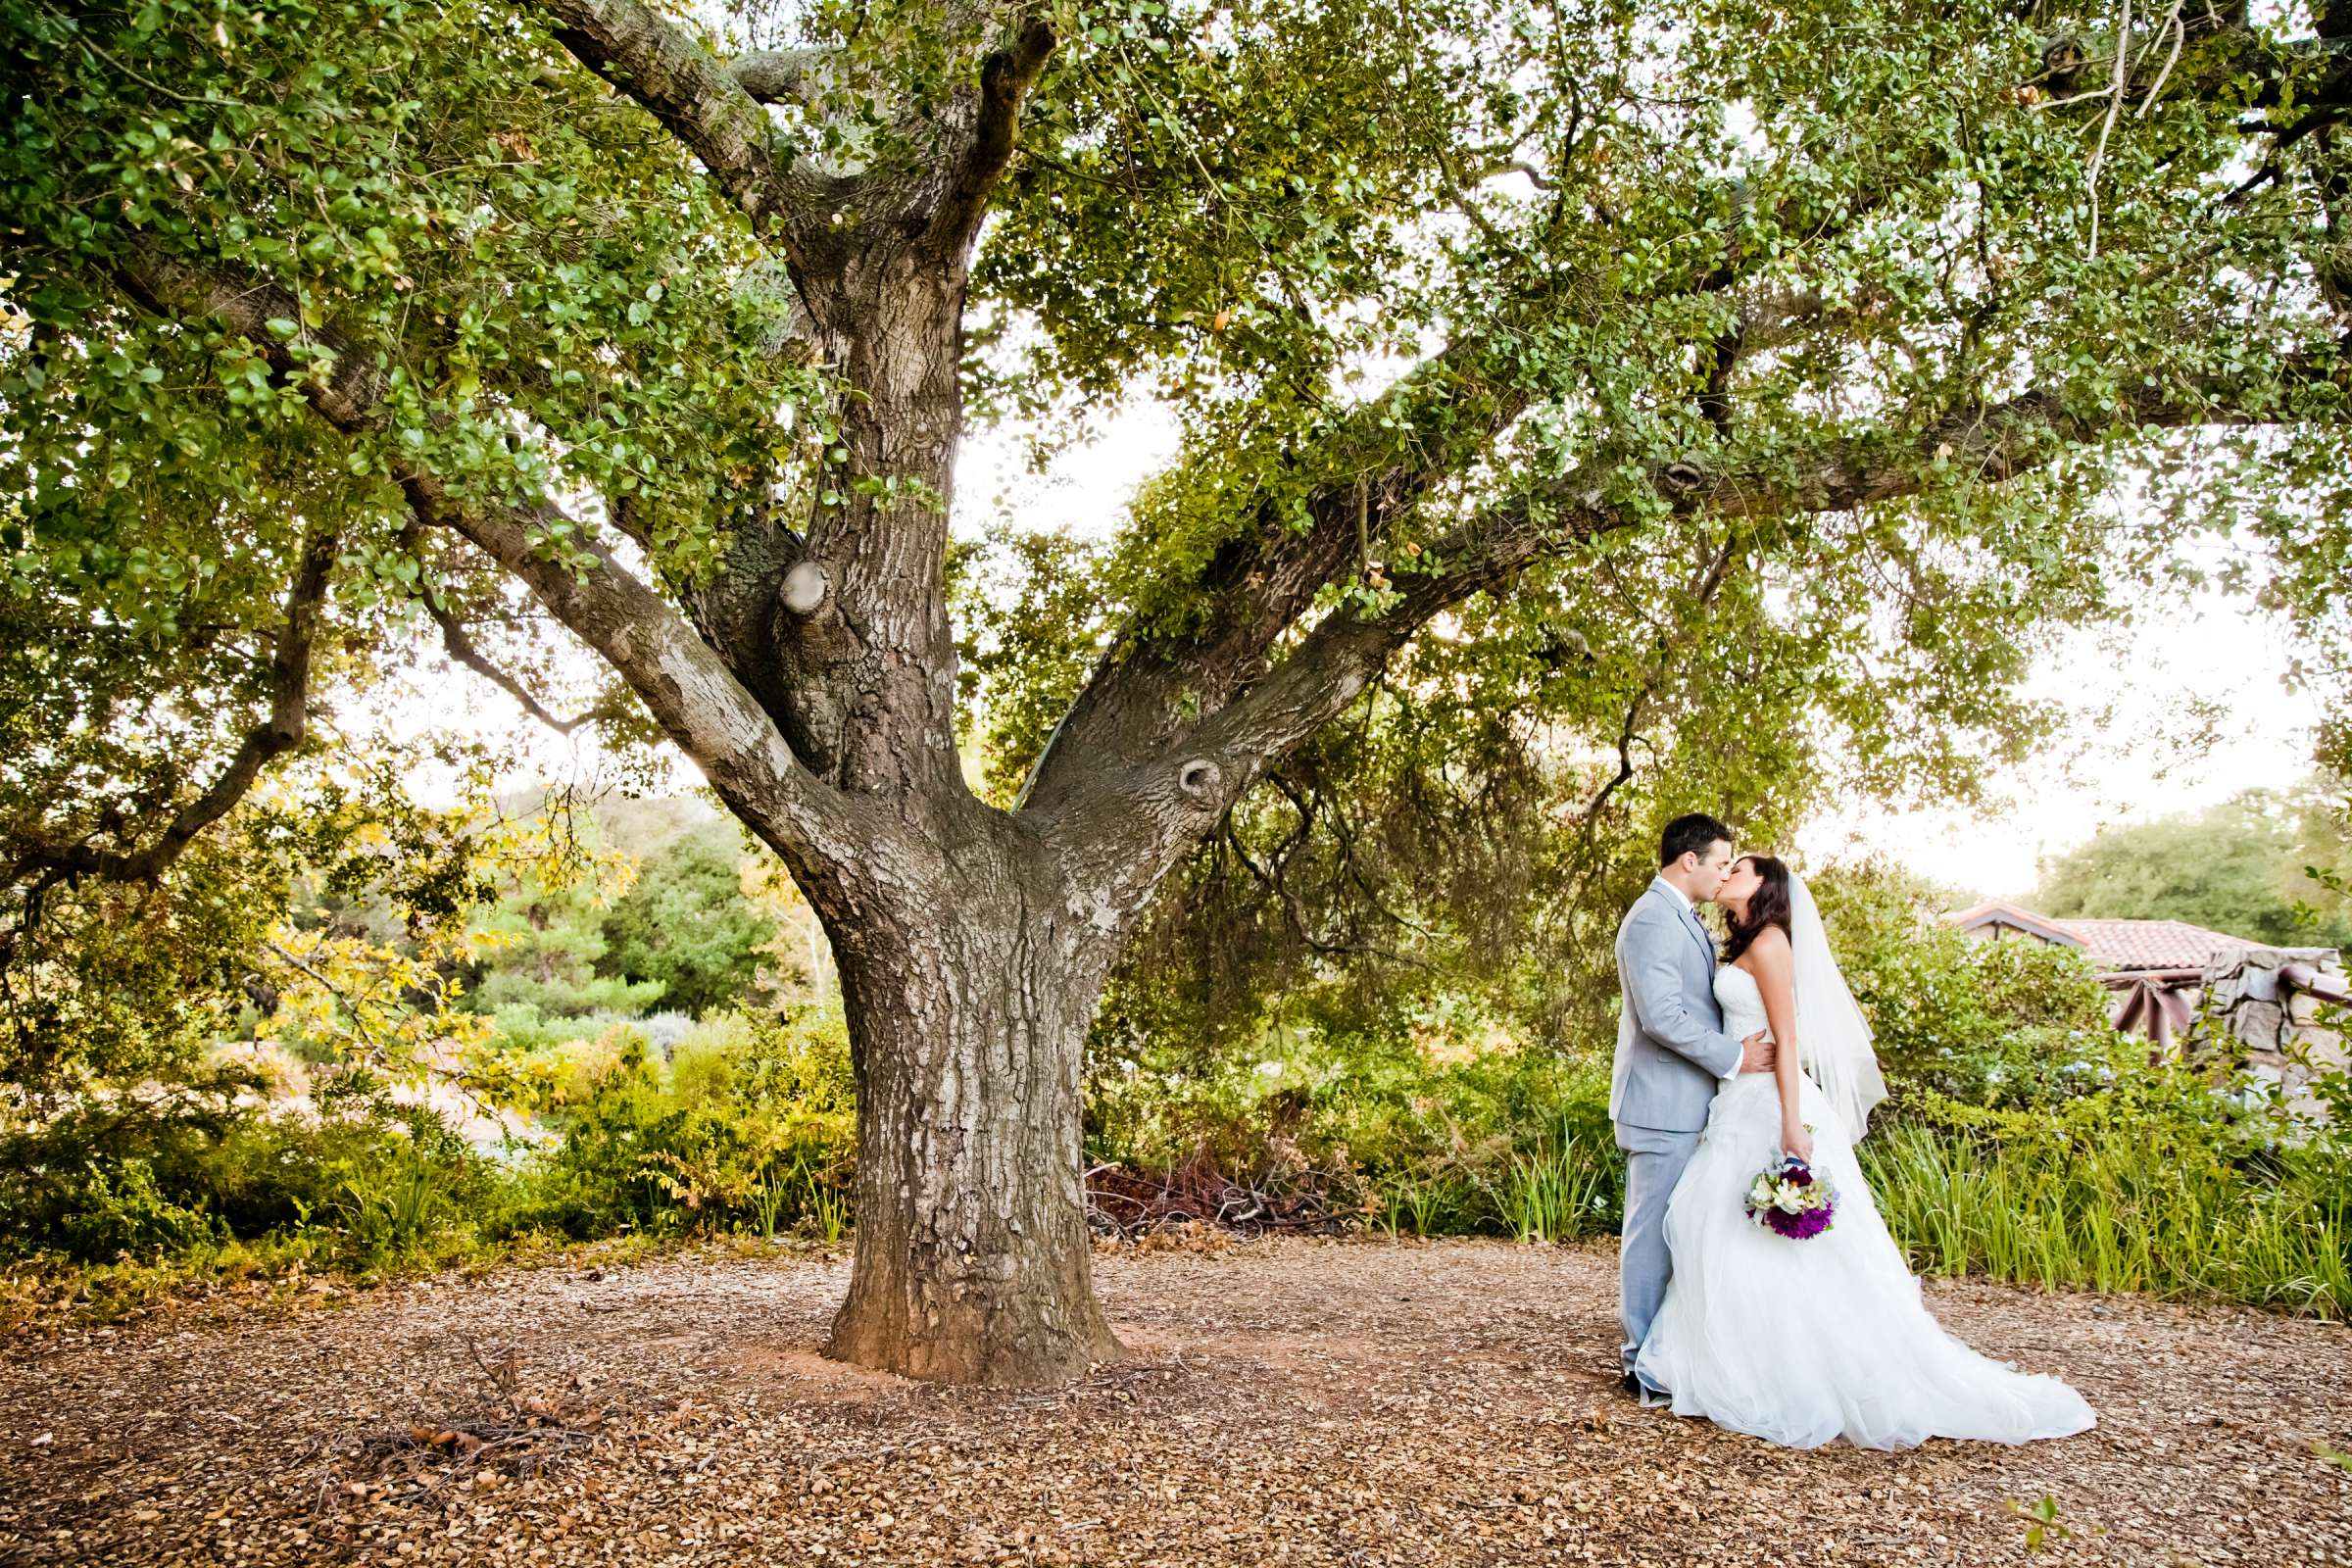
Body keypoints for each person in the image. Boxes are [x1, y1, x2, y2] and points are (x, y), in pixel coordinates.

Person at [1631, 853, 2096, 1448]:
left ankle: (1802, 1367)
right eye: (1726, 866)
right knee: (1721, 1231)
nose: (1727, 874)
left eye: (1739, 869)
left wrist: (1792, 1124)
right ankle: (1752, 1353)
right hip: (1734, 1100)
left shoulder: (1772, 943)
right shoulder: (1743, 941)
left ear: (1765, 887)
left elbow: (1789, 1039)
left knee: (1770, 1241)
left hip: (1769, 1105)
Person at [1609, 812, 1774, 1400]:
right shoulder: (1653, 918)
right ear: (1690, 861)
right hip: (1659, 1105)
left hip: (1691, 1104)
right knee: (1651, 1234)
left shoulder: (1685, 919)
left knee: (1683, 1230)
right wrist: (1735, 1057)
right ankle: (1641, 1363)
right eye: (1721, 863)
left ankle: (1667, 1351)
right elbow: (1662, 1018)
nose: (1725, 873)